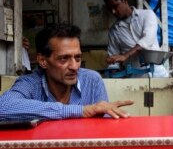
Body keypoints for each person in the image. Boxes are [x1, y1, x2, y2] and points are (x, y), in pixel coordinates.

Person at [0, 23, 134, 121]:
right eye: (64, 58)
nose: (74, 66)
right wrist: (82, 111)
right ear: (42, 61)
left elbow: (102, 130)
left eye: (78, 57)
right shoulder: (30, 83)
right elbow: (3, 106)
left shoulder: (92, 81)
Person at [103, 0, 168, 77]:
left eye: (115, 6)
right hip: (134, 78)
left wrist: (125, 56)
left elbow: (147, 40)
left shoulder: (147, 15)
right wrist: (111, 71)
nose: (113, 11)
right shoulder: (114, 31)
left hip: (157, 74)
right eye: (110, 9)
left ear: (124, 0)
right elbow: (114, 57)